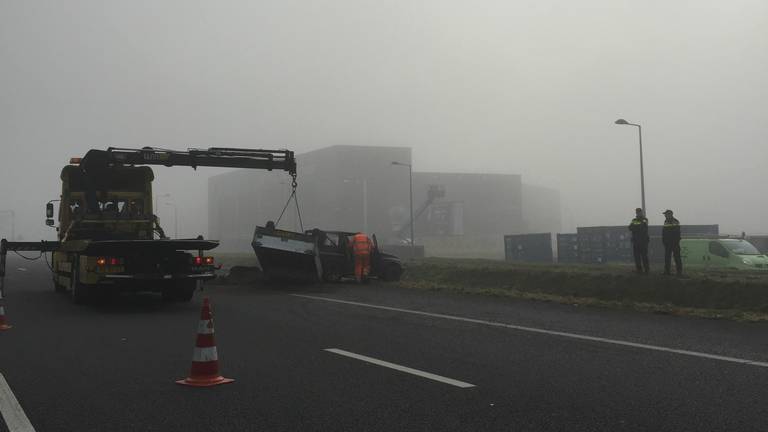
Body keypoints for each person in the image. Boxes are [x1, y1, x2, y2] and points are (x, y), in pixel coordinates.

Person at [628, 208, 650, 274]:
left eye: (639, 212)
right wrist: (637, 227)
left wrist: (635, 227)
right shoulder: (634, 220)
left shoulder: (645, 219)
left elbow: (643, 228)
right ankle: (639, 270)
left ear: (641, 212)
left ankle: (646, 270)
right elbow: (630, 228)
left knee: (644, 256)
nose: (638, 213)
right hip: (636, 241)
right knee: (637, 257)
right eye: (637, 212)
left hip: (643, 241)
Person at [662, 209, 683, 275]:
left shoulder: (675, 221)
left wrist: (675, 241)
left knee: (677, 257)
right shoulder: (665, 221)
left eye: (666, 214)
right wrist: (664, 241)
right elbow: (664, 232)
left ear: (670, 214)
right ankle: (667, 271)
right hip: (667, 243)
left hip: (674, 243)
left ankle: (679, 272)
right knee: (667, 258)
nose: (665, 215)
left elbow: (676, 233)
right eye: (665, 214)